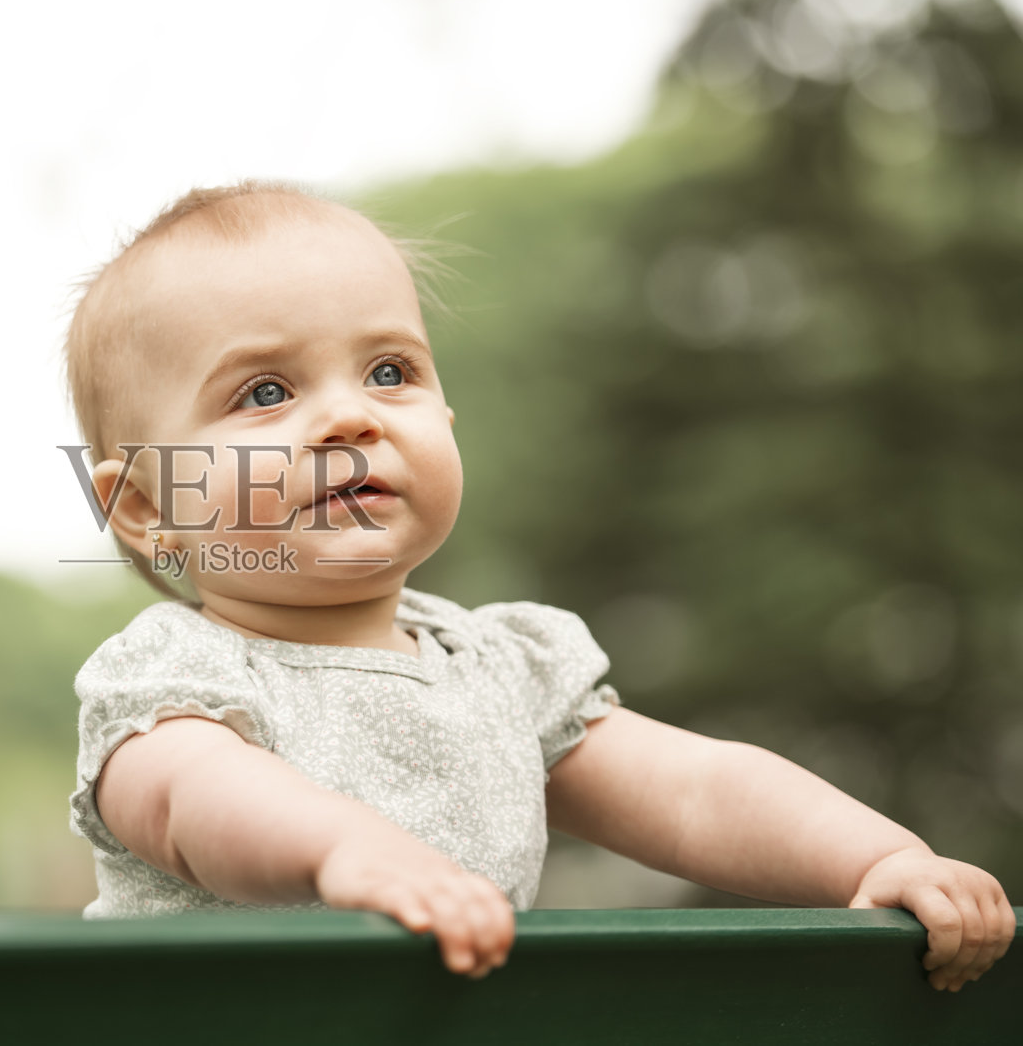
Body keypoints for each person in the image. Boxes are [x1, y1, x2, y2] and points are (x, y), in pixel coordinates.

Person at [62, 182, 1014, 986]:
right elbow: (196, 800)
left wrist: (881, 856)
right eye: (266, 392)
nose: (349, 416)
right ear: (147, 506)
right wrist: (346, 852)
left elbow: (695, 793)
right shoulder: (172, 676)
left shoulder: (503, 669)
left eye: (390, 371)